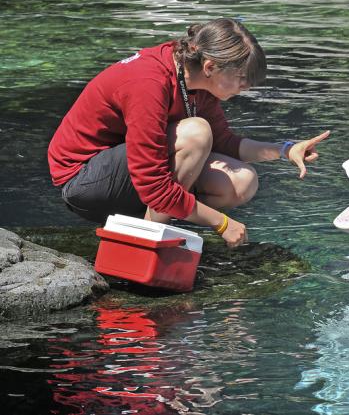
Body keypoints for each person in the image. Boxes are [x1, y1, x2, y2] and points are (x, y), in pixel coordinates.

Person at [48, 18, 329, 248]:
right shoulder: (149, 82)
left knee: (242, 181)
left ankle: (156, 227)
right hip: (83, 180)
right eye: (242, 79)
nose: (246, 87)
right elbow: (154, 185)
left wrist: (284, 150)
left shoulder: (196, 83)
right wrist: (221, 223)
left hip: (129, 178)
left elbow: (225, 142)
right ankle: (141, 243)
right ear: (210, 66)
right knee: (196, 133)